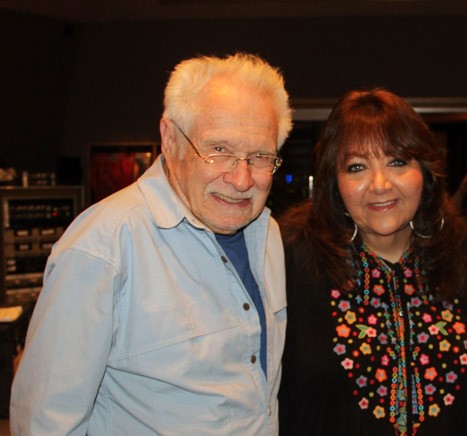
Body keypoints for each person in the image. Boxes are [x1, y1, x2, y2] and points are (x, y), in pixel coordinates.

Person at [10, 53, 293, 434]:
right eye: (218, 151)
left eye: (260, 157)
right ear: (170, 138)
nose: (241, 179)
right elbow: (46, 423)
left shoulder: (267, 233)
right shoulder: (103, 246)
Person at [278, 88, 467, 435]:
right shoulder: (293, 263)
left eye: (397, 162)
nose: (379, 185)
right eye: (357, 167)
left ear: (425, 171)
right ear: (335, 182)